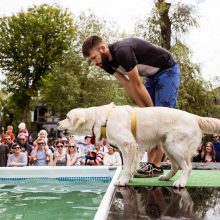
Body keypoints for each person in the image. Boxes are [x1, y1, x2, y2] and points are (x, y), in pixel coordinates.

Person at [82, 36, 180, 176]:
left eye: (93, 58)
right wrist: (144, 109)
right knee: (150, 122)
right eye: (90, 60)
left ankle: (156, 165)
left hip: (167, 70)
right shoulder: (104, 63)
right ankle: (150, 164)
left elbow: (137, 84)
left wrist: (151, 111)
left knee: (163, 118)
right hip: (151, 77)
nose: (93, 63)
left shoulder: (123, 51)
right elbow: (127, 84)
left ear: (102, 48)